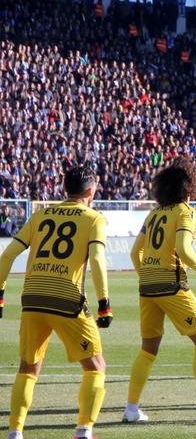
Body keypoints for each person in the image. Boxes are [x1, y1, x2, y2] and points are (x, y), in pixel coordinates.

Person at [123, 159, 196, 423]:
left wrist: (147, 275)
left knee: (148, 348)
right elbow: (184, 249)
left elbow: (135, 252)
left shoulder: (154, 214)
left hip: (147, 287)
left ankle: (131, 409)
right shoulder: (185, 212)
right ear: (190, 186)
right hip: (171, 284)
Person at [0, 166, 112, 439]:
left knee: (28, 367)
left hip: (32, 298)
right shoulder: (94, 218)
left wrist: (0, 294)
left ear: (64, 189)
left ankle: (15, 432)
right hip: (66, 299)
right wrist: (104, 303)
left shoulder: (41, 215)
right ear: (90, 191)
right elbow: (97, 259)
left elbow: (7, 255)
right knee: (96, 366)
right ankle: (84, 429)